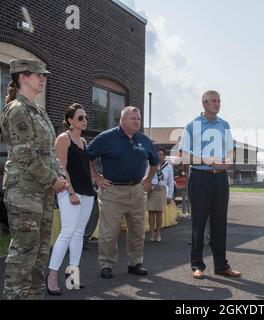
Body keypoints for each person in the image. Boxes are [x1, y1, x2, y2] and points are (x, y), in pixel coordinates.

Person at [0, 59, 67, 300]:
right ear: (22, 77)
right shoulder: (17, 109)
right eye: (38, 75)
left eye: (44, 74)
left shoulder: (38, 110)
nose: (43, 78)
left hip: (43, 191)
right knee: (24, 253)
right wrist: (53, 179)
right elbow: (24, 153)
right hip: (24, 193)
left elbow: (48, 151)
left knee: (39, 253)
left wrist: (60, 175)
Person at [87, 106, 159, 279]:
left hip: (137, 191)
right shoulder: (107, 138)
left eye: (139, 119)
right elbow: (87, 156)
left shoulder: (143, 140)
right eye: (133, 118)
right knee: (109, 232)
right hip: (112, 192)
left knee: (137, 231)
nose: (137, 122)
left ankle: (135, 263)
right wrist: (96, 177)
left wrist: (148, 180)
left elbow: (155, 161)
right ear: (122, 120)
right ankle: (107, 264)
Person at [180, 90, 241, 280]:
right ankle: (197, 265)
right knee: (199, 223)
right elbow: (184, 155)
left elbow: (231, 151)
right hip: (200, 178)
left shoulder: (225, 125)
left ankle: (222, 265)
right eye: (213, 101)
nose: (217, 104)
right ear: (204, 103)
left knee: (219, 223)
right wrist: (207, 161)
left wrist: (227, 162)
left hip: (220, 178)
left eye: (219, 101)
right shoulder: (192, 125)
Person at [46, 104, 95, 295]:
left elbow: (86, 168)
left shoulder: (83, 140)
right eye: (81, 118)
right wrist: (71, 192)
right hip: (70, 192)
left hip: (87, 192)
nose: (85, 120)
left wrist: (96, 181)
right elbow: (61, 168)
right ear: (70, 120)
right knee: (67, 232)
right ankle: (51, 276)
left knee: (78, 233)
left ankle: (72, 277)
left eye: (85, 118)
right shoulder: (63, 139)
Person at [147, 147, 174, 242]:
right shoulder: (151, 164)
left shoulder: (168, 166)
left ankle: (158, 233)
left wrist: (170, 195)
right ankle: (152, 233)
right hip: (152, 189)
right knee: (151, 212)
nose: (161, 156)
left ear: (165, 156)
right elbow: (146, 176)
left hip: (162, 190)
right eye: (159, 154)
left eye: (162, 154)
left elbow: (170, 182)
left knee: (159, 213)